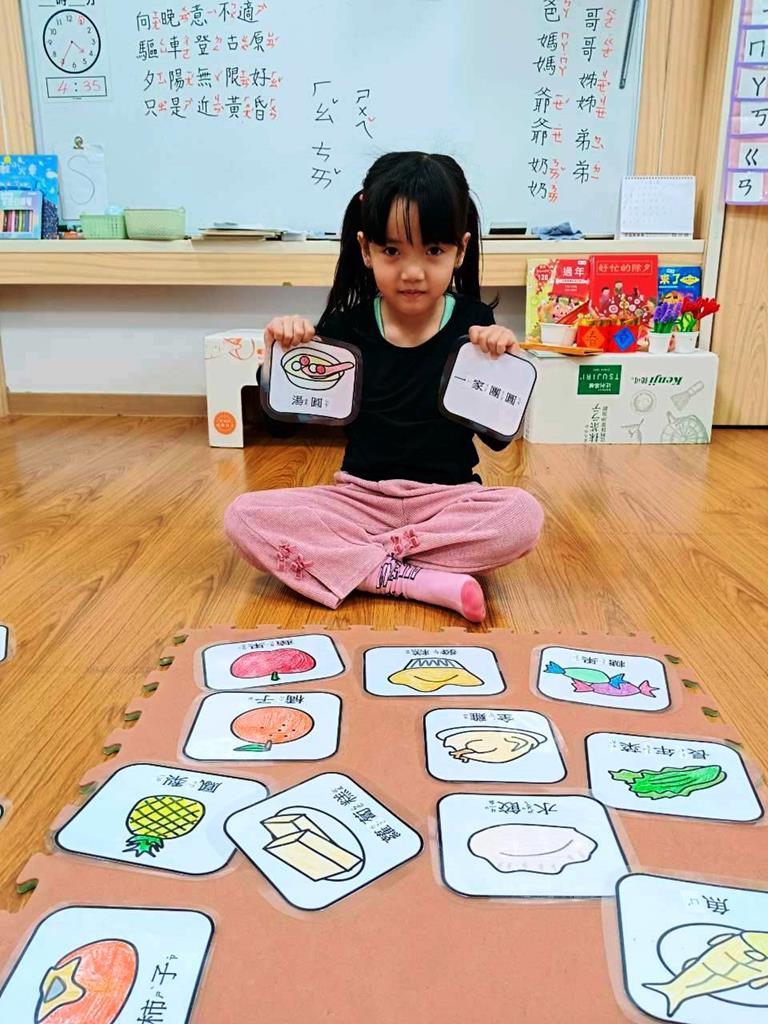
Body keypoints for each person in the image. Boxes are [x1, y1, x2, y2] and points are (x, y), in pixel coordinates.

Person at [225, 151, 543, 622]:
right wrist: (280, 357)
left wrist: (503, 363)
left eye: (433, 251)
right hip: (359, 499)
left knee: (522, 515)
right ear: (366, 249)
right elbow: (285, 427)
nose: (412, 271)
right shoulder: (345, 328)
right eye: (392, 251)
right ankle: (410, 576)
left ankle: (363, 563)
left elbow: (498, 440)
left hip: (447, 501)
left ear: (460, 251)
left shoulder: (475, 325)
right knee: (242, 516)